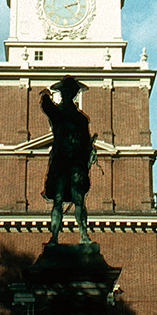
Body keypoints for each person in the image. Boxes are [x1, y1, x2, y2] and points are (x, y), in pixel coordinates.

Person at [39, 75, 96, 245]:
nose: (67, 94)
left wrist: (88, 154)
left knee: (78, 199)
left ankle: (84, 235)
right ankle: (54, 237)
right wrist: (45, 96)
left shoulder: (81, 119)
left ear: (74, 94)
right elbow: (48, 108)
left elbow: (86, 143)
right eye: (65, 90)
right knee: (58, 199)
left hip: (76, 163)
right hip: (62, 162)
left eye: (70, 91)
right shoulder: (58, 114)